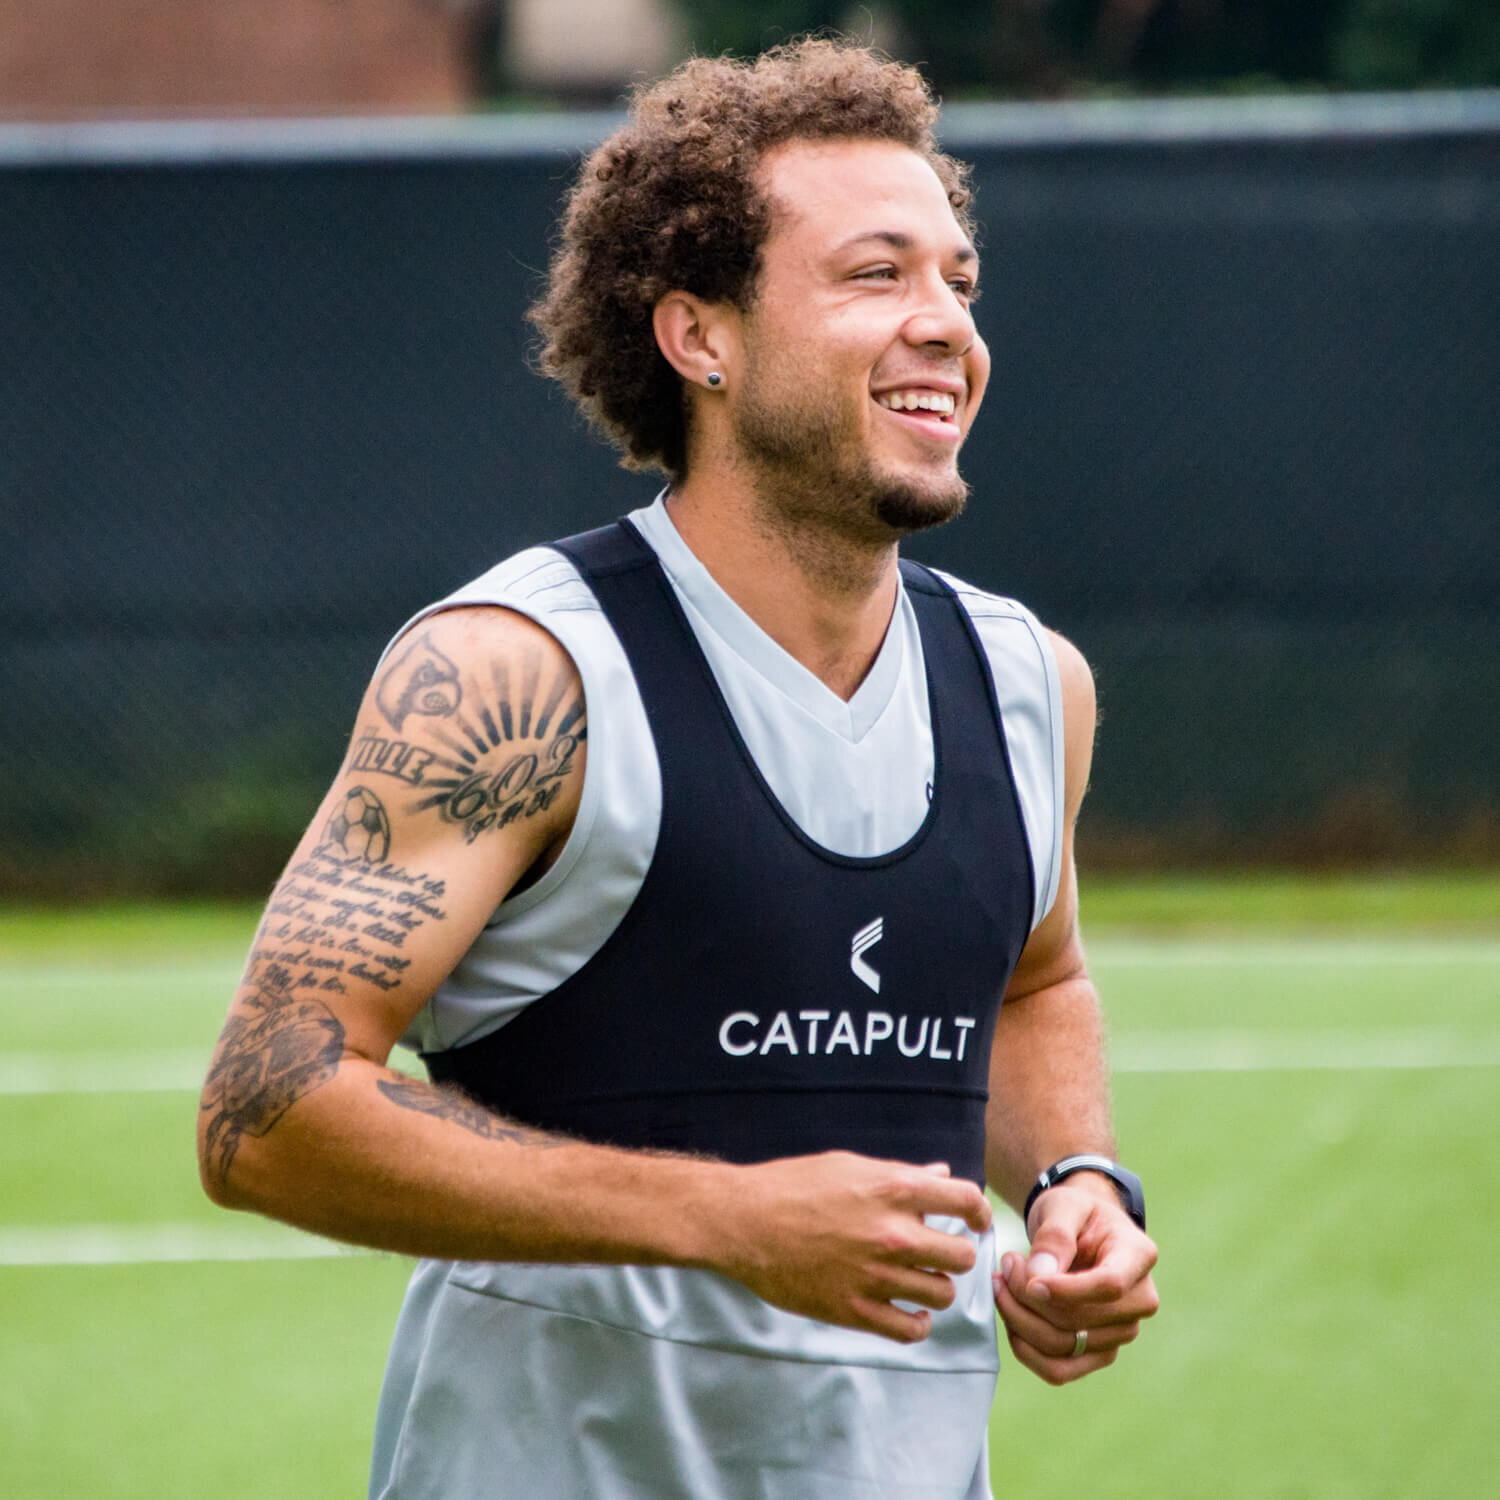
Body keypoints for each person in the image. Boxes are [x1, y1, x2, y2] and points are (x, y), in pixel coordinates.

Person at [197, 37, 1158, 1500]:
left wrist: (1079, 1184)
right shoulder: (524, 672)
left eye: (957, 280)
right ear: (697, 337)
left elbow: (1031, 981)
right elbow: (265, 1109)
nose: (943, 325)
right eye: (874, 275)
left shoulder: (1035, 685)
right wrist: (724, 1218)